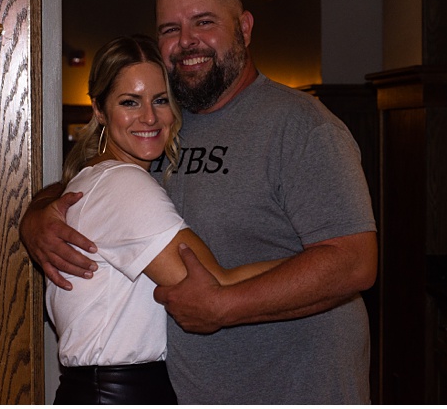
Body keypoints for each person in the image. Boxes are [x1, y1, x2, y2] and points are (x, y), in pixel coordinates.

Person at [21, 0, 377, 404]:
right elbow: (91, 187)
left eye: (203, 21)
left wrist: (225, 306)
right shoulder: (162, 129)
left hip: (295, 388)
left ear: (244, 27)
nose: (186, 40)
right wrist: (36, 216)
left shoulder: (302, 127)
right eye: (170, 28)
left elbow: (355, 263)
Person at [46, 35, 281, 405]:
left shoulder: (92, 177)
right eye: (129, 102)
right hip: (119, 393)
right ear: (99, 110)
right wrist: (316, 261)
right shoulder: (123, 183)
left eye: (160, 100)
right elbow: (210, 284)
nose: (149, 117)